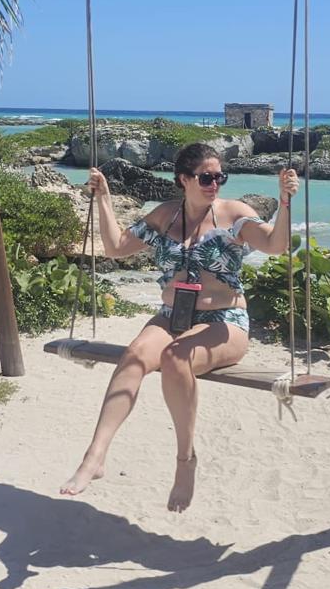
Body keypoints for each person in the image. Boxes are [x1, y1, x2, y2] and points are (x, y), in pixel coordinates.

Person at [60, 142, 299, 511]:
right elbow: (116, 247)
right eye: (206, 177)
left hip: (225, 321)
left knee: (175, 357)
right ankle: (95, 455)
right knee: (135, 355)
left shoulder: (234, 214)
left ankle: (185, 461)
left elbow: (275, 245)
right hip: (172, 317)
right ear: (184, 179)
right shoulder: (166, 216)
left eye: (220, 176)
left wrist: (284, 201)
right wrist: (104, 198)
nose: (214, 183)